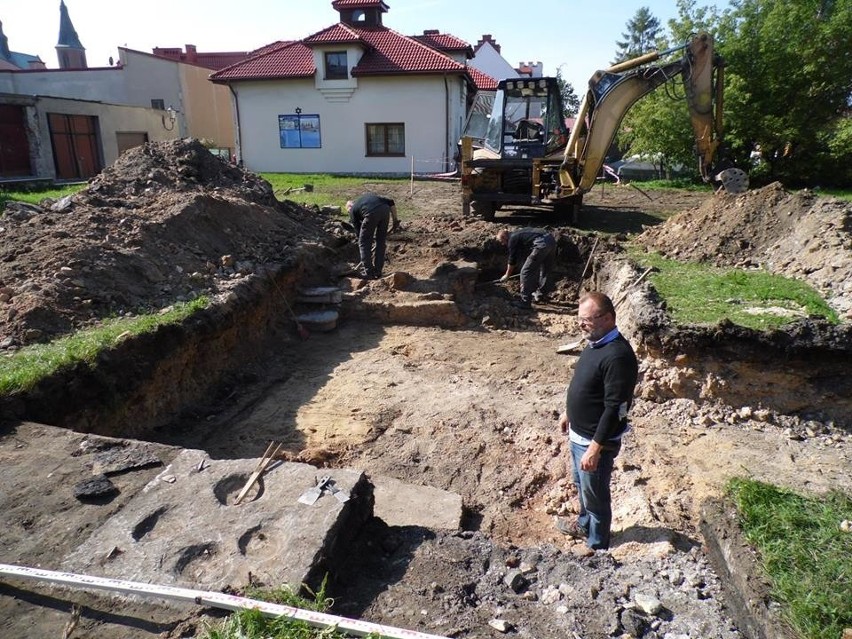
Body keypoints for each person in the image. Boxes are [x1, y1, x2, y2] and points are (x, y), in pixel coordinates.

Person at [556, 292, 638, 551]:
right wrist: (569, 412)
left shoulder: (618, 357)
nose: (581, 325)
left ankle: (597, 546)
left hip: (594, 444)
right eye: (579, 319)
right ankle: (584, 525)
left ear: (608, 318)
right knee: (582, 487)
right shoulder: (595, 344)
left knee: (596, 498)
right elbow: (588, 386)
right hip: (579, 436)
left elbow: (615, 408)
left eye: (587, 320)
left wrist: (594, 449)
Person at [495, 227, 556, 309]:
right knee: (546, 269)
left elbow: (512, 260)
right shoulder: (519, 234)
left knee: (525, 272)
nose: (503, 244)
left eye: (502, 241)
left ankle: (525, 301)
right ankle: (541, 295)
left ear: (505, 237)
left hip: (541, 244)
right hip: (551, 240)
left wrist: (507, 275)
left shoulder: (512, 240)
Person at [346, 193, 400, 278]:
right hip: (385, 210)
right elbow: (391, 202)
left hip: (371, 213)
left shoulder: (352, 211)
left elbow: (359, 234)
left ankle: (369, 272)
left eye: (348, 211)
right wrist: (395, 220)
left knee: (363, 243)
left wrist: (367, 245)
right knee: (381, 242)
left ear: (349, 207)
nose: (349, 213)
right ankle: (378, 271)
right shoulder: (364, 200)